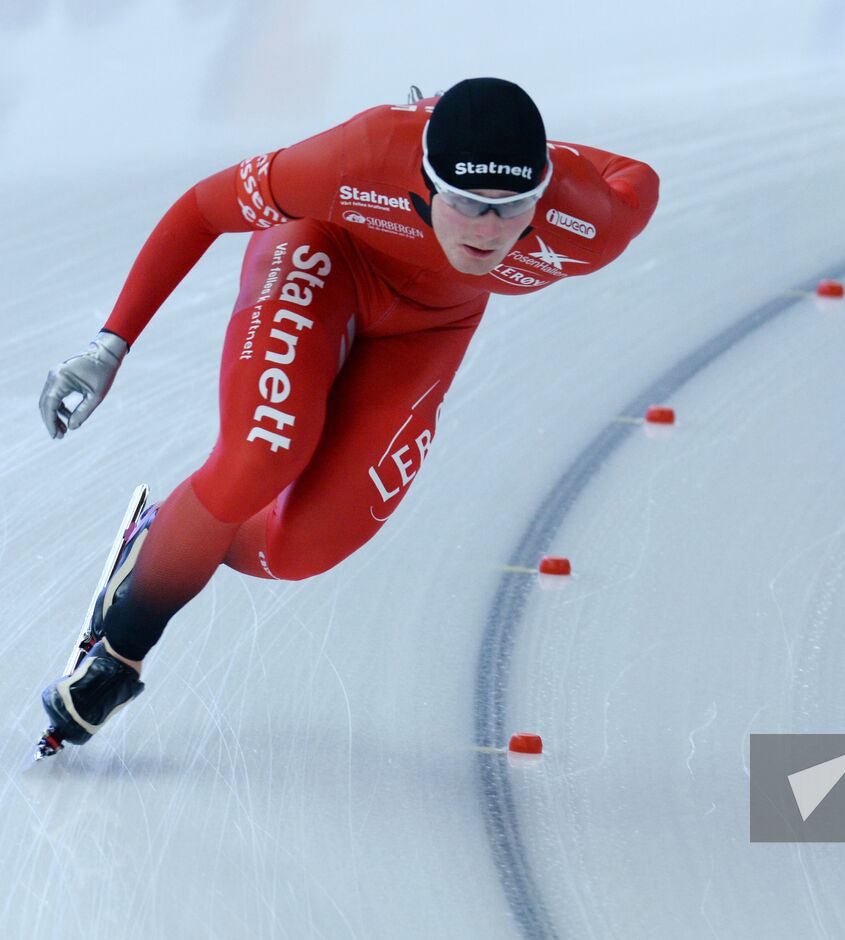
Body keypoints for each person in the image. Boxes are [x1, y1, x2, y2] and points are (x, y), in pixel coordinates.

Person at [36, 77, 660, 750]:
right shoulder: (362, 158)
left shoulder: (589, 222)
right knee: (264, 455)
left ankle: (170, 535)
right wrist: (111, 343)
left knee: (296, 550)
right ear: (422, 181)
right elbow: (202, 209)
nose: (487, 231)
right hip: (322, 256)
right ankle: (120, 656)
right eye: (464, 203)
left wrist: (522, 150)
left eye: (512, 209)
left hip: (428, 330)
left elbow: (640, 176)